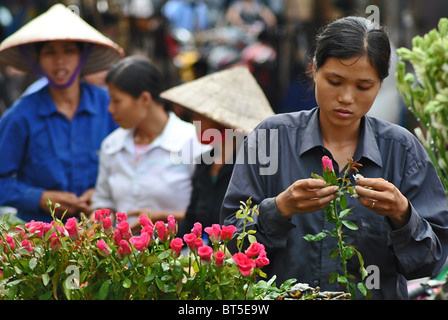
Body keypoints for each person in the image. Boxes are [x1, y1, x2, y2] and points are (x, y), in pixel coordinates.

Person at [220, 16, 448, 299]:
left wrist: (402, 215)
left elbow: (434, 260)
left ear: (379, 84)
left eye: (364, 86)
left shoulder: (402, 149)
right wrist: (279, 208)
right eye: (335, 81)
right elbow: (231, 241)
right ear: (314, 70)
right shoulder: (271, 137)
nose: (347, 98)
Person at [0, 4, 123, 223]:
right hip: (40, 238)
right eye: (49, 52)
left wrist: (103, 195)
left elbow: (131, 162)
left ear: (82, 56)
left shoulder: (109, 106)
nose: (60, 61)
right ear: (37, 59)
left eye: (69, 50)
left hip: (102, 234)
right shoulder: (20, 116)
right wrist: (40, 198)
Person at [91, 55, 205, 229]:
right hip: (121, 255)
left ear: (145, 99)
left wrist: (161, 219)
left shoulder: (193, 143)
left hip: (180, 254)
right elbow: (104, 203)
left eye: (117, 100)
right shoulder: (112, 145)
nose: (110, 109)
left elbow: (207, 214)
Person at [160, 66, 274, 239]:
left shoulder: (253, 165)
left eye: (199, 115)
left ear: (220, 121)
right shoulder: (205, 162)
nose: (193, 120)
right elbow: (192, 221)